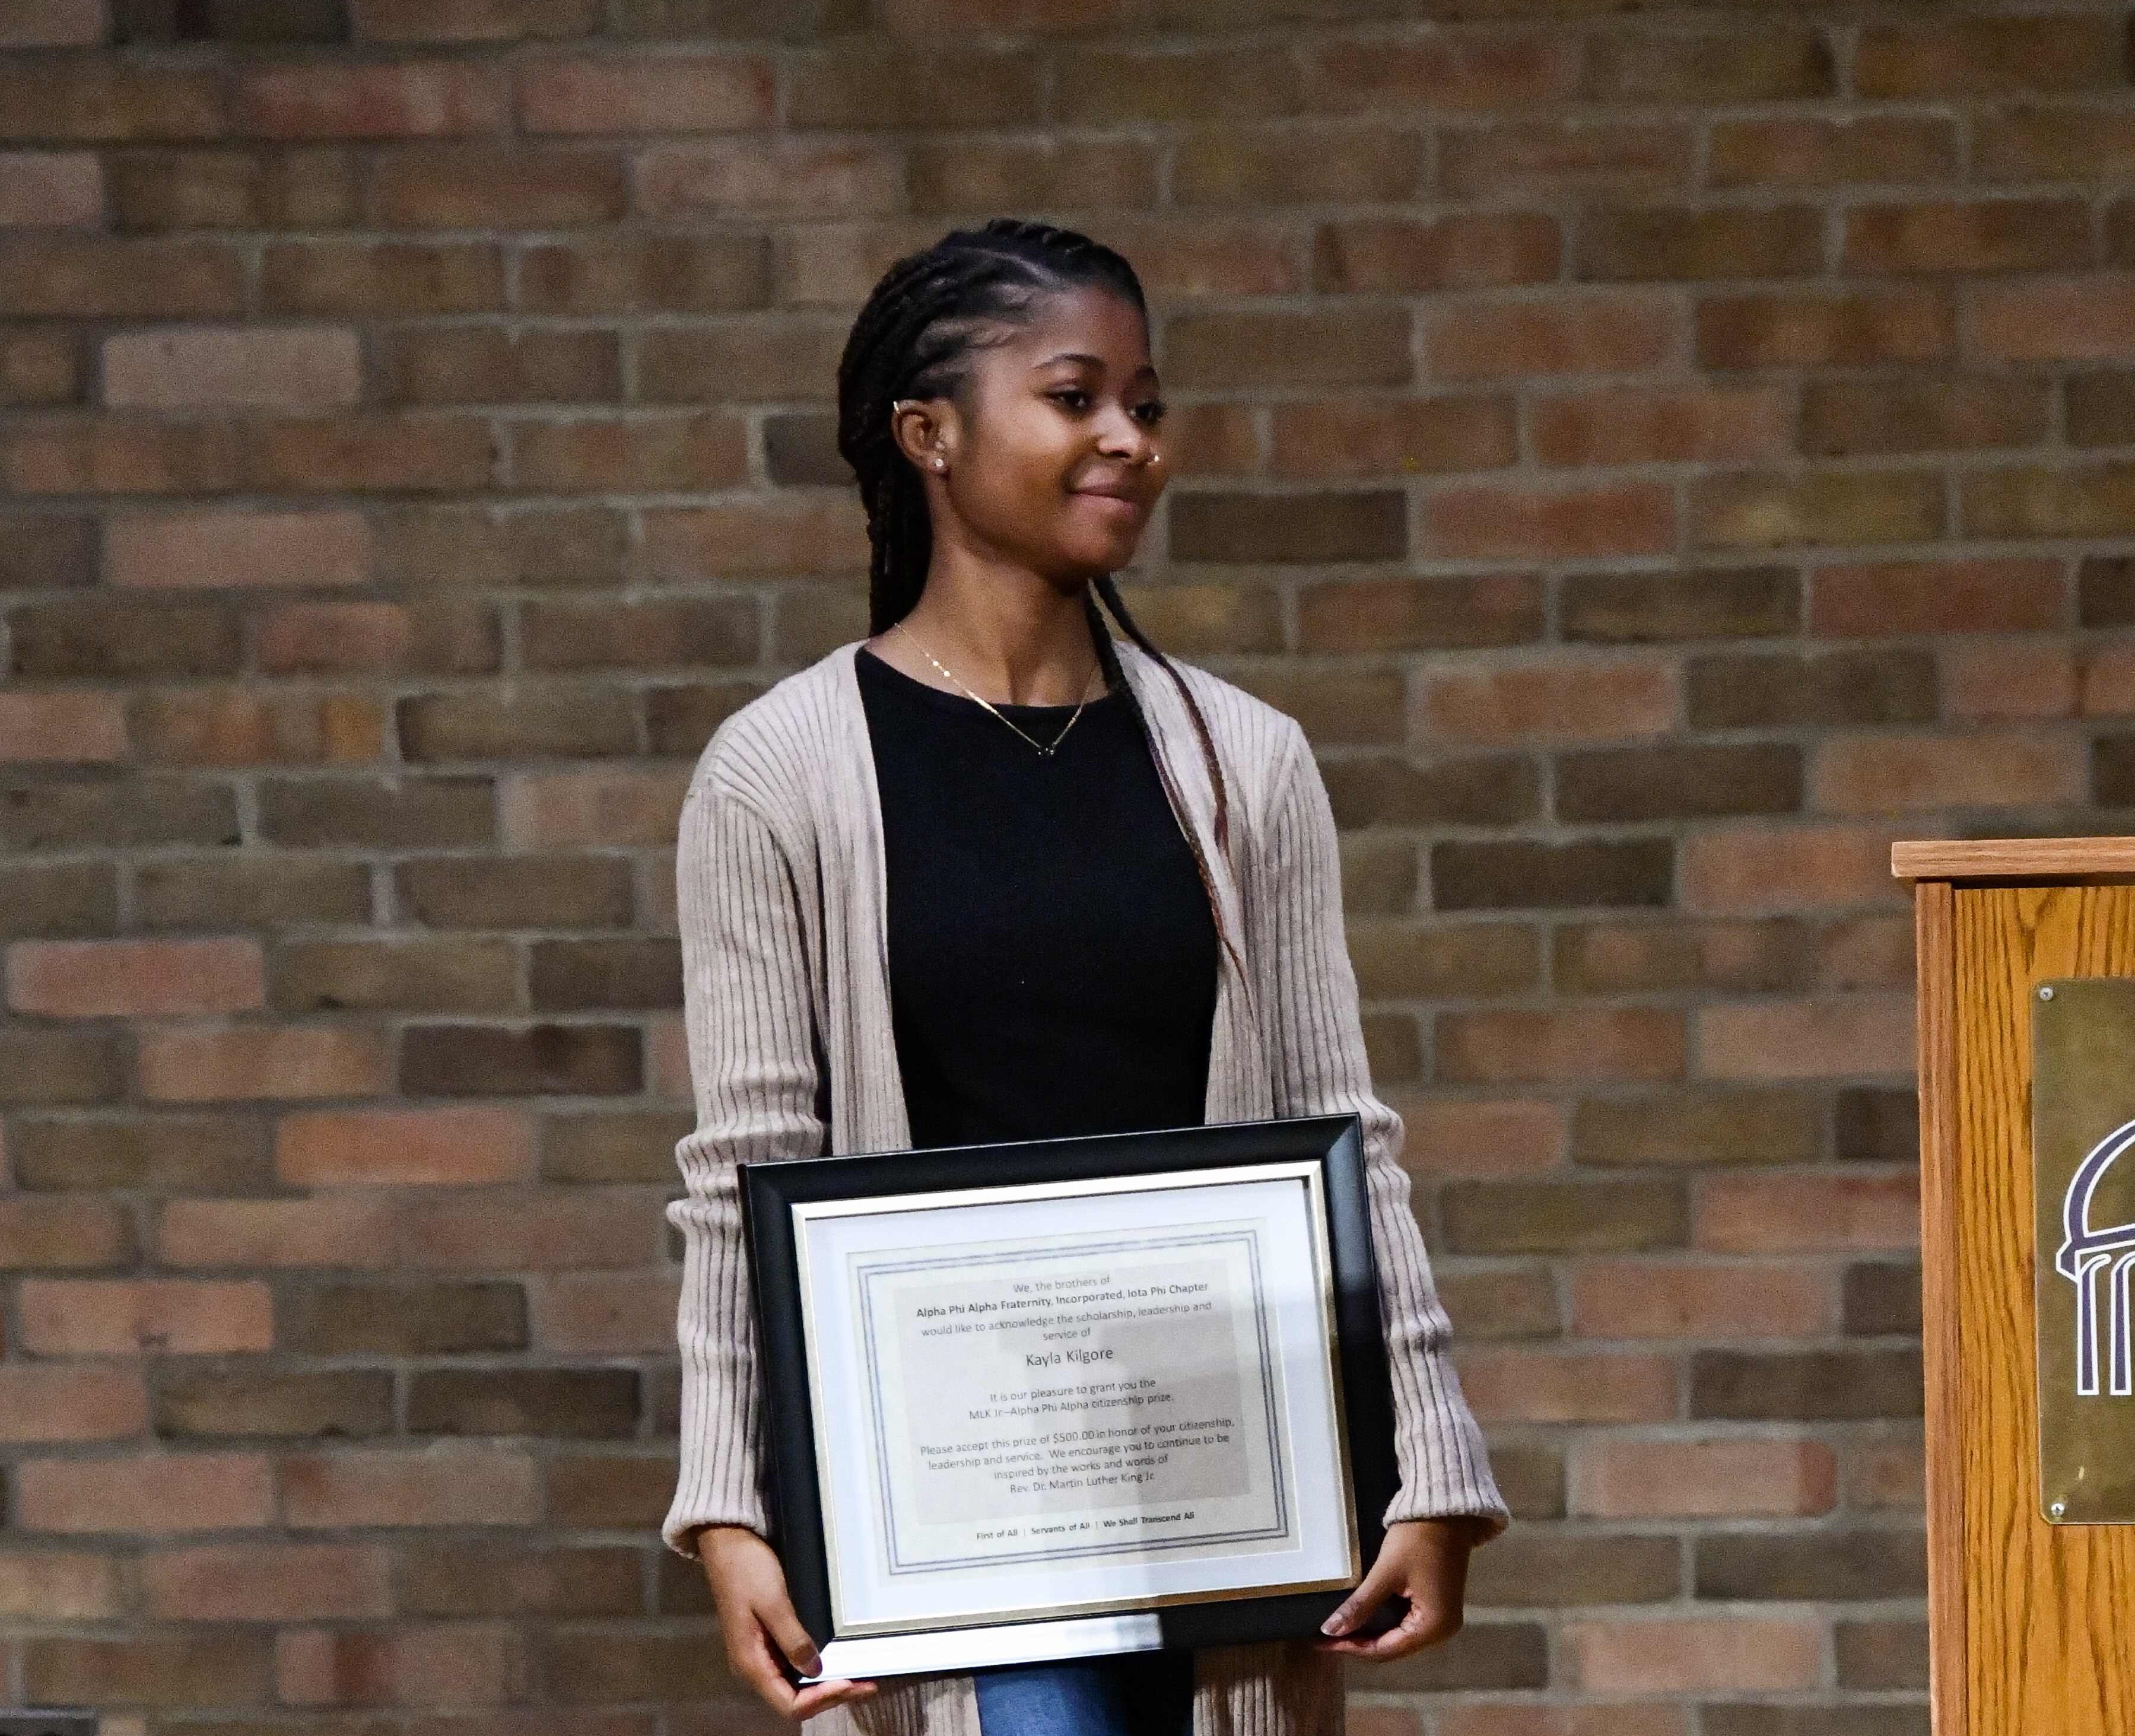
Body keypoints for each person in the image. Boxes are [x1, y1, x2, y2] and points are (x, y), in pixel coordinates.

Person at [663, 217, 1507, 1736]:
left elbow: (1340, 1128)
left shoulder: (1241, 761)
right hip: (943, 1528)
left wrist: (1426, 1464)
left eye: (1147, 404)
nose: (1129, 440)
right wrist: (731, 1502)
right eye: (1074, 397)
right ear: (928, 433)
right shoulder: (780, 774)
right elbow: (747, 1174)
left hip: (1221, 1498)